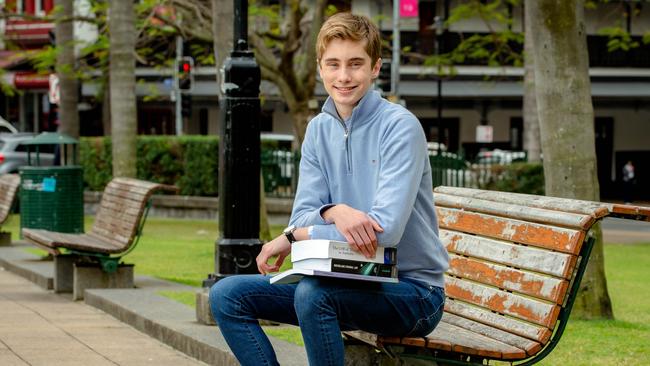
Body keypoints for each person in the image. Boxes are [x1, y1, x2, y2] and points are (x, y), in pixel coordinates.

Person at [209, 12, 449, 366]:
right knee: (227, 295)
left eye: (355, 63)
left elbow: (385, 232)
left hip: (412, 293)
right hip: (343, 280)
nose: (344, 76)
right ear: (321, 68)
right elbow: (302, 214)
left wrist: (296, 235)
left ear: (375, 67)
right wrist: (333, 211)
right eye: (333, 64)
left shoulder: (400, 128)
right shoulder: (319, 130)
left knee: (312, 295)